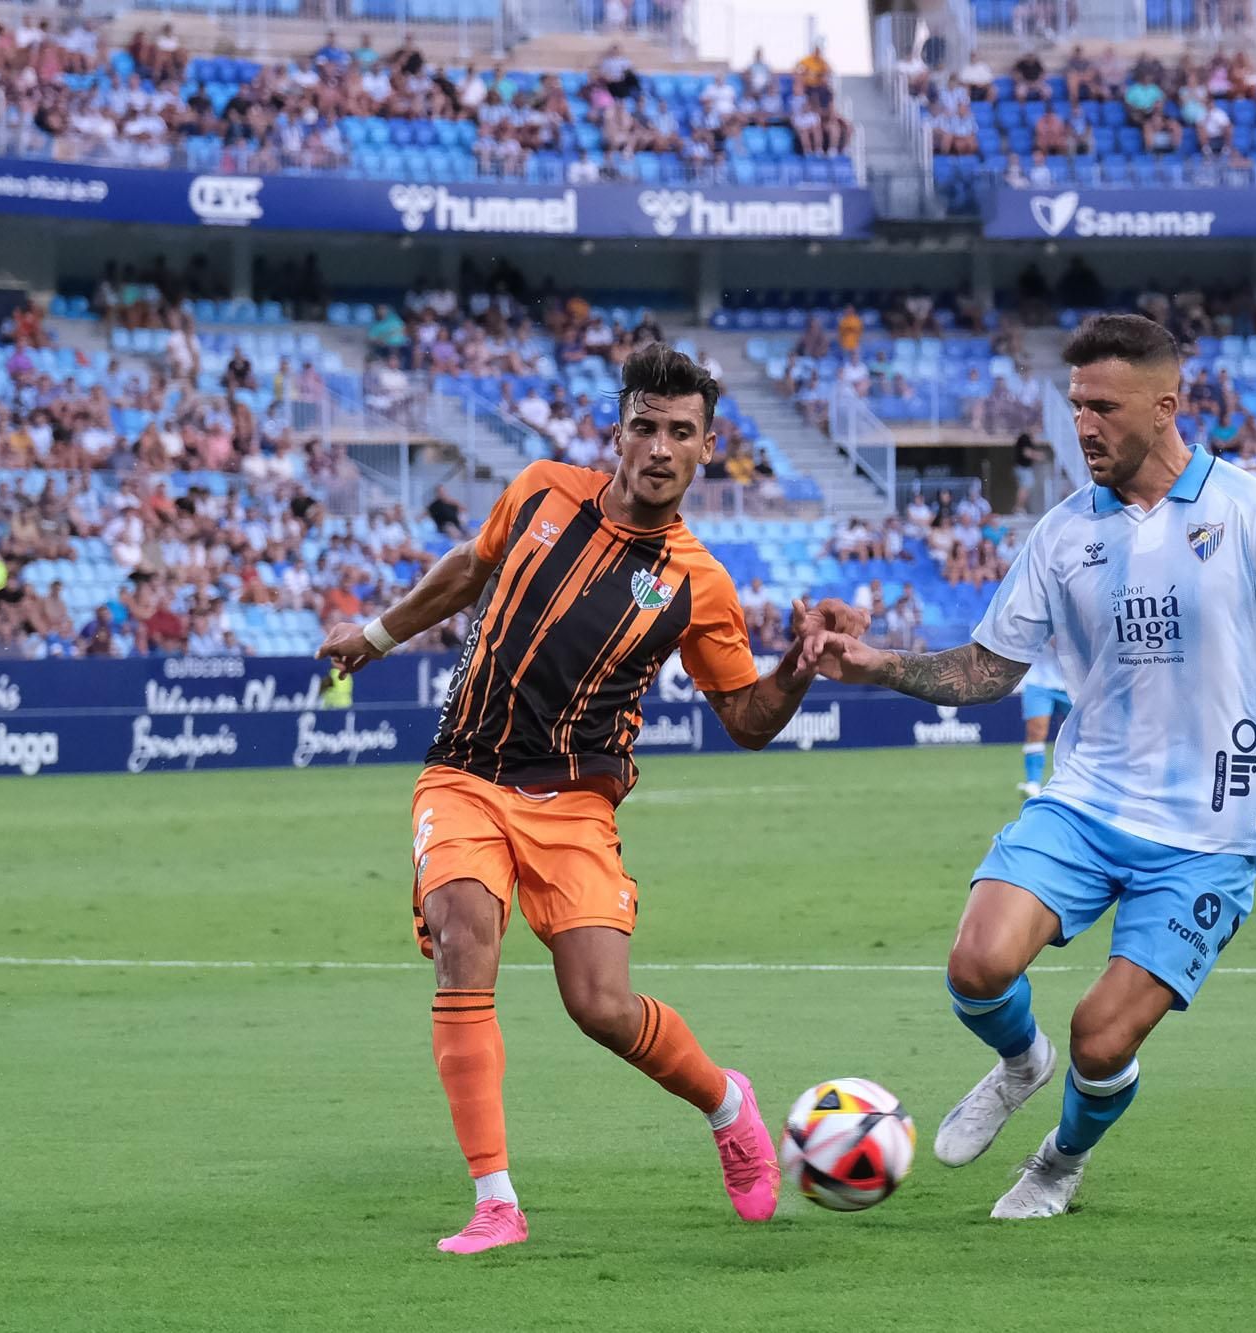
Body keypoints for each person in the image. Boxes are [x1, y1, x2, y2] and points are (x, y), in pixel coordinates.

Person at [811, 315, 1256, 1219]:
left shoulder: (1250, 512)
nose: (1085, 426)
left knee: (1101, 1039)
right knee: (977, 964)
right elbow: (988, 669)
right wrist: (877, 665)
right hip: (1086, 800)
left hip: (1207, 834)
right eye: (1075, 406)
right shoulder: (1064, 533)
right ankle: (1021, 1061)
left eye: (1103, 406)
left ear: (1166, 405)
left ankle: (1060, 1161)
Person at [314, 347, 868, 1253]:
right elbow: (468, 566)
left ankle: (728, 1104)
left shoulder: (698, 583)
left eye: (679, 432)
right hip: (462, 773)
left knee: (600, 1006)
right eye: (644, 426)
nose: (658, 446)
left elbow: (746, 716)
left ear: (707, 449)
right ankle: (497, 1200)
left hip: (574, 804)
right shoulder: (539, 490)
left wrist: (799, 669)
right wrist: (377, 634)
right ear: (618, 433)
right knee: (463, 940)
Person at [1017, 646, 1070, 799]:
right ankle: (1033, 783)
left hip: (1074, 680)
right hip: (1039, 679)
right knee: (1036, 730)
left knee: (1080, 733)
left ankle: (1072, 780)